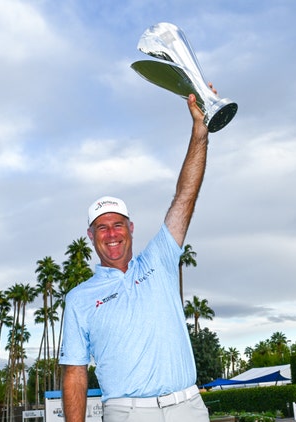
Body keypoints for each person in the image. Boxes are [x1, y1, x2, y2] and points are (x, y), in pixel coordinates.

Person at [60, 88, 216, 422]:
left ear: (131, 228)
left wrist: (199, 133)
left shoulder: (159, 259)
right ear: (90, 236)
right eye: (102, 228)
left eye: (118, 225)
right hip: (127, 412)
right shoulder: (79, 299)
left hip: (188, 407)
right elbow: (75, 373)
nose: (111, 234)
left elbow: (185, 196)